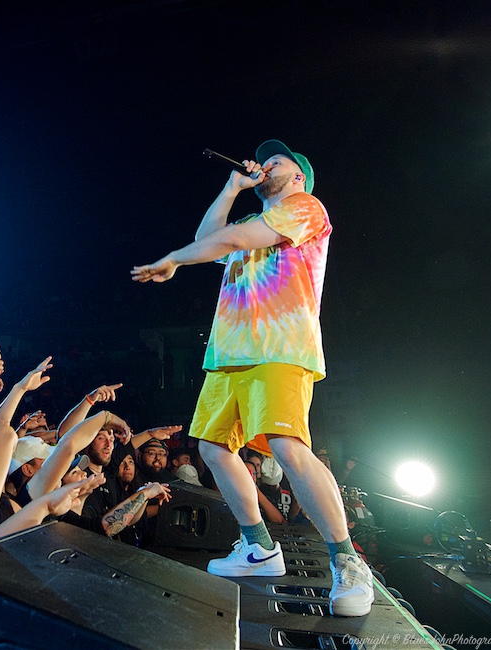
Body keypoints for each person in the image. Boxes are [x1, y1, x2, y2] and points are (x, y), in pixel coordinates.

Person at [131, 139, 374, 617]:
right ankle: (258, 547)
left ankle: (348, 562)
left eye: (276, 161)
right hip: (229, 353)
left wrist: (176, 259)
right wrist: (230, 187)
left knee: (286, 446)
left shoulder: (305, 207)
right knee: (212, 447)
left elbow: (229, 243)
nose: (265, 165)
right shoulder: (248, 220)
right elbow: (212, 237)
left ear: (298, 174)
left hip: (280, 347)